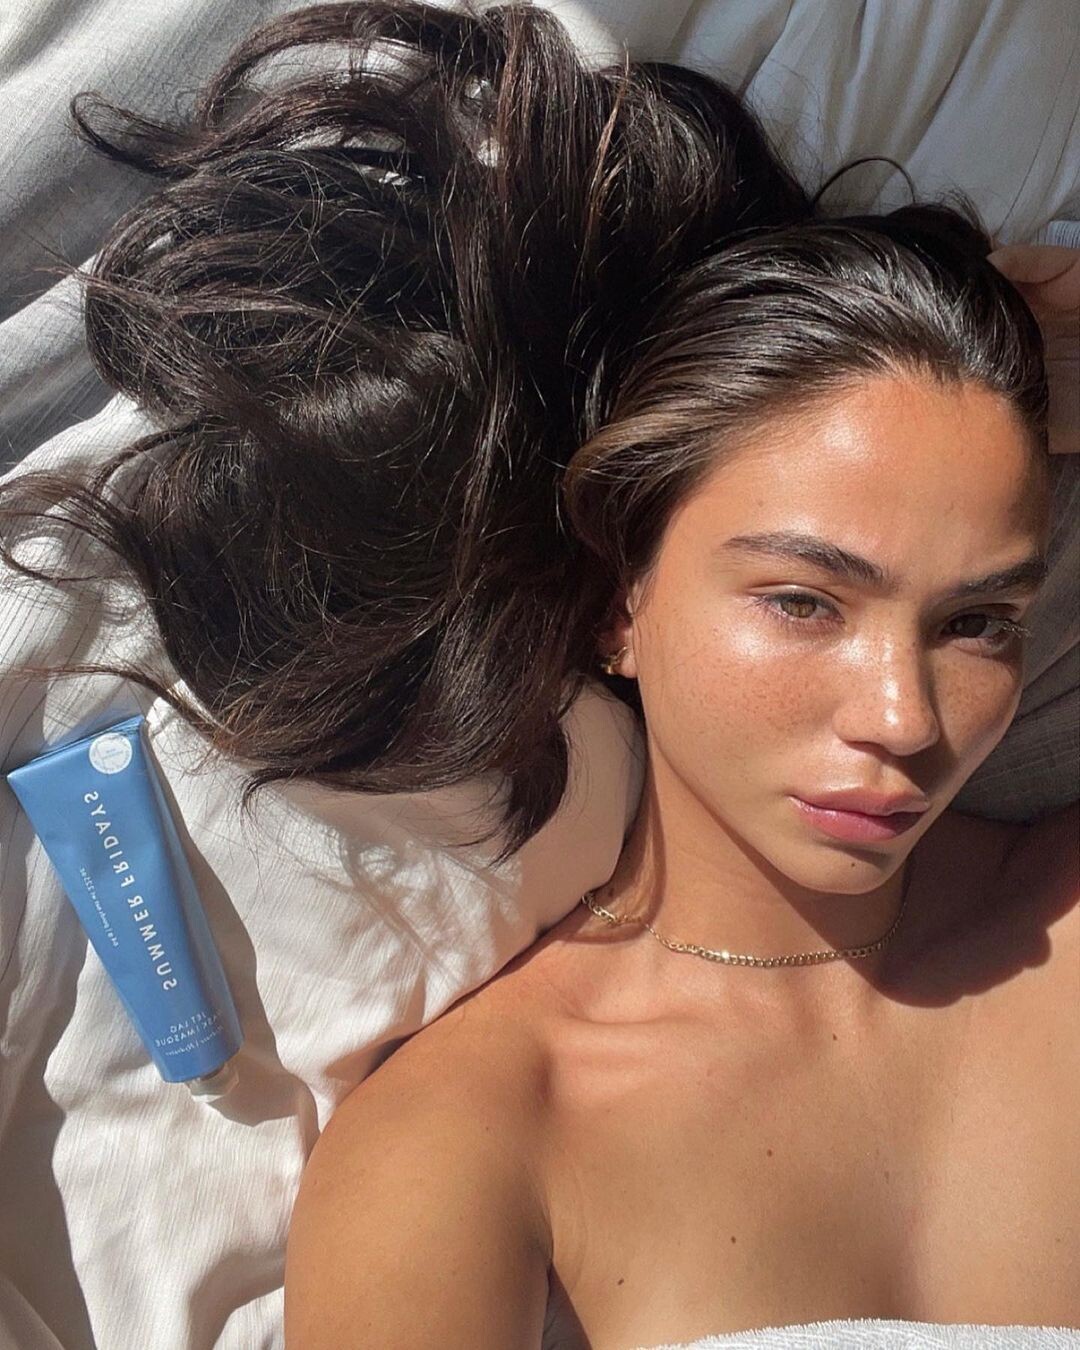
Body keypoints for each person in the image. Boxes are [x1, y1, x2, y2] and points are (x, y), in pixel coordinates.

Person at [0, 2, 1074, 1344]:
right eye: (804, 601)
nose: (905, 717)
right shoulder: (472, 1139)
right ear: (622, 600)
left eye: (978, 624)